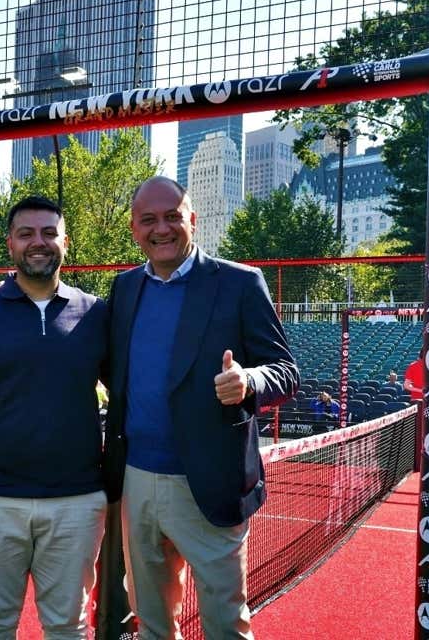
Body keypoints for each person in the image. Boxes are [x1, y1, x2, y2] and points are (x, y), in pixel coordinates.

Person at [105, 176, 299, 639]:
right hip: (136, 480)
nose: (162, 228)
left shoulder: (239, 283)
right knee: (150, 621)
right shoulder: (124, 289)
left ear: (193, 219)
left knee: (224, 624)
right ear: (134, 229)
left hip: (211, 484)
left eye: (173, 216)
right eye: (149, 219)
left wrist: (249, 381)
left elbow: (286, 371)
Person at [0, 196, 109, 639]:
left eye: (49, 233)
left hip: (77, 502)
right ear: (10, 244)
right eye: (26, 233)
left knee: (68, 626)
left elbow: (128, 393)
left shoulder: (96, 313)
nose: (38, 243)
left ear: (66, 242)